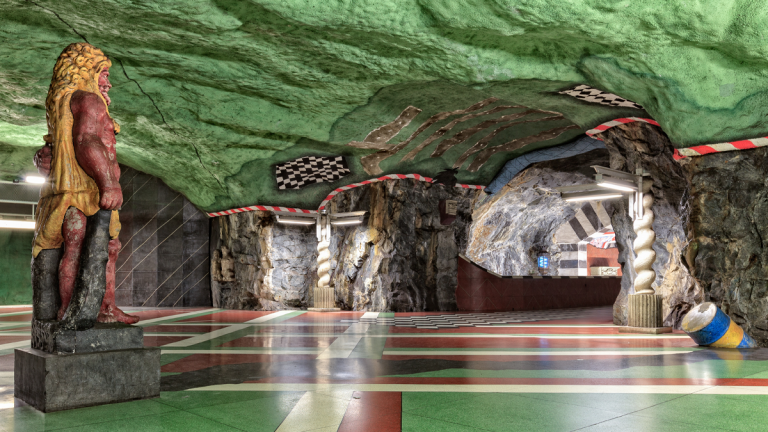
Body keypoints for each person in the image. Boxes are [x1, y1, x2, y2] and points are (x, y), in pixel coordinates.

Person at [33, 43, 138, 324]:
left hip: (67, 192)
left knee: (103, 249)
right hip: (85, 192)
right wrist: (109, 184)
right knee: (80, 249)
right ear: (86, 72)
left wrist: (41, 157)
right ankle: (74, 313)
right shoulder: (88, 100)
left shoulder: (62, 101)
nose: (108, 82)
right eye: (103, 73)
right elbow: (85, 141)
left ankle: (98, 307)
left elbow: (55, 145)